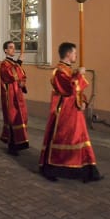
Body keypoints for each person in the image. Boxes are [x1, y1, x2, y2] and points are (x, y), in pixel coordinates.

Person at [39, 42, 103, 183]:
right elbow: (69, 89)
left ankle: (88, 170)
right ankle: (51, 169)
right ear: (68, 54)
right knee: (63, 138)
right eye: (74, 53)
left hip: (75, 111)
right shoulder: (59, 71)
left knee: (80, 138)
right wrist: (79, 75)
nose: (76, 56)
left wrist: (84, 102)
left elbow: (79, 92)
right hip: (64, 112)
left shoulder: (69, 70)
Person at [0, 41, 29, 155]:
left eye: (14, 48)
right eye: (11, 48)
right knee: (12, 118)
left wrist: (23, 82)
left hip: (18, 93)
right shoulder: (4, 64)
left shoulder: (14, 63)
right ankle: (12, 145)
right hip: (10, 96)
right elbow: (11, 75)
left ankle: (20, 142)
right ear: (6, 50)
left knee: (21, 117)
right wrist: (19, 62)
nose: (13, 50)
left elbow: (22, 75)